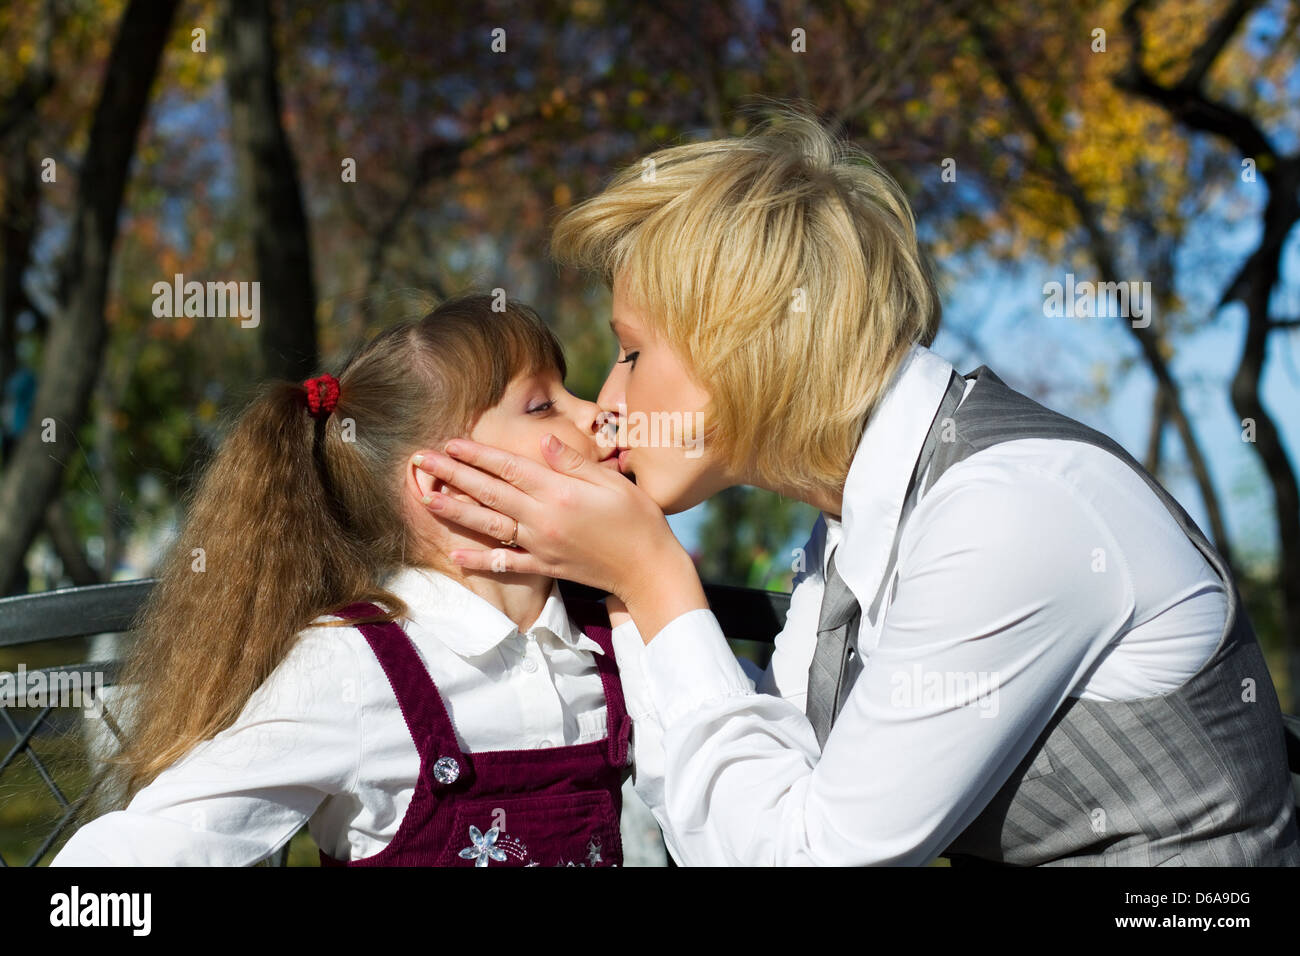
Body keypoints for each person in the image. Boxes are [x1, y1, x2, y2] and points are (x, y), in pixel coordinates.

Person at [409, 107, 1300, 866]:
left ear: (745, 340)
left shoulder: (1008, 512)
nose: (607, 403)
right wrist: (633, 592)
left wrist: (652, 578)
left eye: (633, 351)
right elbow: (747, 815)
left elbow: (813, 856)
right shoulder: (843, 544)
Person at [53, 292, 635, 867]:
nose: (596, 414)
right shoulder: (351, 667)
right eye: (541, 406)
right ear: (442, 485)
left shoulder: (614, 631)